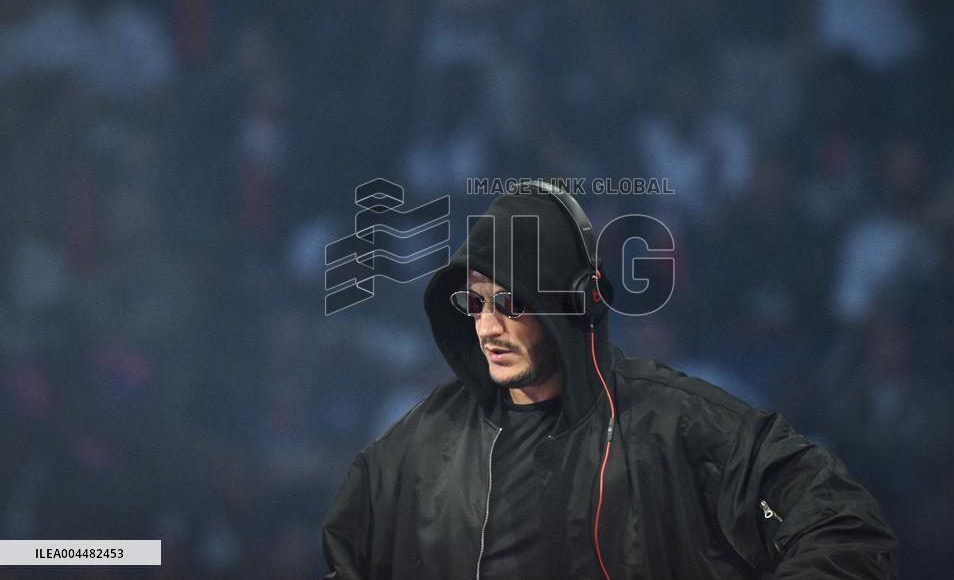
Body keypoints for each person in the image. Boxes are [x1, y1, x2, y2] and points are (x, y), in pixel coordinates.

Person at [322, 181, 897, 579]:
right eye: (473, 305)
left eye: (510, 304)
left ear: (571, 305)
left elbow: (840, 525)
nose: (487, 327)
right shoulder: (422, 447)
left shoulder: (674, 425)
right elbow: (349, 556)